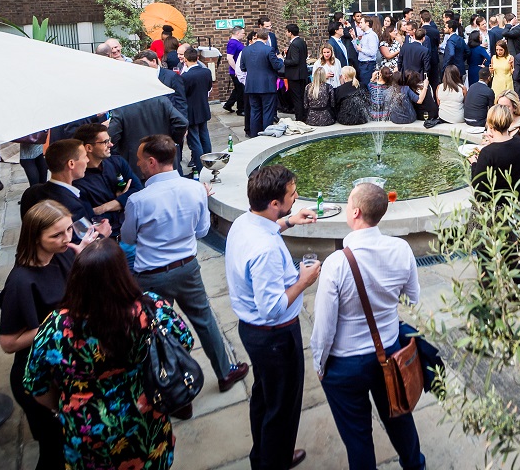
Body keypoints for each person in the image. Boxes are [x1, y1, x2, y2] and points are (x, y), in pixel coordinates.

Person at [24, 238, 195, 470]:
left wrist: (67, 403)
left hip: (87, 431)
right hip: (145, 421)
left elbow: (35, 384)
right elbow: (184, 342)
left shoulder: (56, 327)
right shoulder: (151, 309)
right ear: (123, 274)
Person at [123, 135, 249, 393]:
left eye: (140, 160)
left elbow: (127, 238)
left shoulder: (138, 200)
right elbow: (202, 231)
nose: (137, 164)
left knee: (156, 330)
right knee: (204, 320)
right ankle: (225, 372)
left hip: (151, 277)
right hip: (187, 268)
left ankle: (168, 385)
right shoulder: (196, 189)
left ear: (152, 162)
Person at [311, 183, 424, 470]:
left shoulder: (336, 263)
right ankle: (415, 465)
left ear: (356, 212)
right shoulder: (401, 249)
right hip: (389, 352)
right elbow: (413, 299)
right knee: (399, 418)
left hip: (345, 364)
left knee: (357, 438)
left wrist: (319, 363)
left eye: (349, 202)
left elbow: (324, 326)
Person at [225, 165, 320, 470]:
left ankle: (264, 456)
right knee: (282, 408)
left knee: (265, 397)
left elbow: (267, 228)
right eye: (292, 195)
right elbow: (272, 307)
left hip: (254, 332)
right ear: (274, 203)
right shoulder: (265, 250)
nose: (296, 197)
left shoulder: (245, 222)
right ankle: (274, 461)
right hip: (275, 337)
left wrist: (289, 221)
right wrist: (304, 282)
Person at [0, 201, 97, 470]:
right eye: (57, 235)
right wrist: (59, 322)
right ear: (35, 237)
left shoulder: (63, 254)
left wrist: (83, 261)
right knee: (53, 450)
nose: (67, 238)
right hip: (37, 376)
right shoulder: (21, 281)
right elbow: (8, 343)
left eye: (69, 230)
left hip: (63, 368)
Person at [470, 105, 520, 288]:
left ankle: (488, 292)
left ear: (490, 123)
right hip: (511, 205)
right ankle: (519, 290)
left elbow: (478, 186)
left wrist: (474, 164)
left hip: (490, 209)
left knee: (485, 255)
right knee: (511, 253)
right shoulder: (519, 143)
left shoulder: (488, 153)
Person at [110, 63, 188, 172]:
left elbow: (112, 136)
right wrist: (171, 141)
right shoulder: (162, 101)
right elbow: (182, 122)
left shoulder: (122, 107)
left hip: (136, 164)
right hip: (163, 161)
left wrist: (121, 152)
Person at [72, 123, 143, 236]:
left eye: (109, 140)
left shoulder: (117, 162)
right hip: (108, 238)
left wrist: (103, 208)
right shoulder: (78, 180)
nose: (111, 144)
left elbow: (138, 190)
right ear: (89, 148)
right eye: (105, 142)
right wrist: (123, 201)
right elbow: (90, 216)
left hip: (132, 232)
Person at [18, 139, 103, 225]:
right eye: (85, 156)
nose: (88, 160)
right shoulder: (73, 206)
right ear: (71, 164)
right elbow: (82, 232)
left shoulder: (29, 192)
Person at [242, 27, 286, 138]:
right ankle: (267, 136)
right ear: (266, 37)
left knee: (254, 111)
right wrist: (280, 59)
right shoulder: (269, 50)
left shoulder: (245, 50)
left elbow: (243, 68)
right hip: (267, 86)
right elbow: (277, 66)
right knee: (268, 112)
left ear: (256, 36)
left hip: (251, 86)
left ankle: (254, 136)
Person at [181, 47, 214, 175]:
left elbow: (183, 95)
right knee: (205, 136)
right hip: (203, 108)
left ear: (185, 59)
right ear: (198, 58)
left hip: (191, 112)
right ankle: (209, 163)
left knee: (194, 141)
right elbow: (209, 87)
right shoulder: (206, 72)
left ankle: (200, 168)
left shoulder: (185, 76)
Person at [283, 23, 309, 120]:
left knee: (296, 98)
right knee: (302, 96)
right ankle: (303, 116)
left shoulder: (294, 44)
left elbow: (294, 61)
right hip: (302, 74)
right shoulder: (302, 42)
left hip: (294, 75)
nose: (286, 33)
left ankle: (299, 118)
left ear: (290, 32)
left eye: (286, 31)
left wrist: (283, 60)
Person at [496, 89, 520, 156]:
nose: (503, 110)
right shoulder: (496, 122)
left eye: (506, 107)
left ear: (515, 107)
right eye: (500, 106)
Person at [223, 26, 248, 116]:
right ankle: (240, 109)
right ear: (237, 33)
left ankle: (228, 104)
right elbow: (229, 58)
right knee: (241, 90)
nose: (243, 35)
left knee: (237, 89)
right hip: (236, 72)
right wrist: (236, 70)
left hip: (238, 71)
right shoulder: (233, 43)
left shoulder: (236, 42)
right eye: (243, 33)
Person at [354, 16, 380, 82]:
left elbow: (373, 52)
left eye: (361, 23)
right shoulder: (364, 35)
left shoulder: (371, 35)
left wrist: (361, 49)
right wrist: (355, 38)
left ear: (367, 23)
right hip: (362, 64)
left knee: (366, 84)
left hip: (368, 65)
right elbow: (358, 48)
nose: (359, 24)